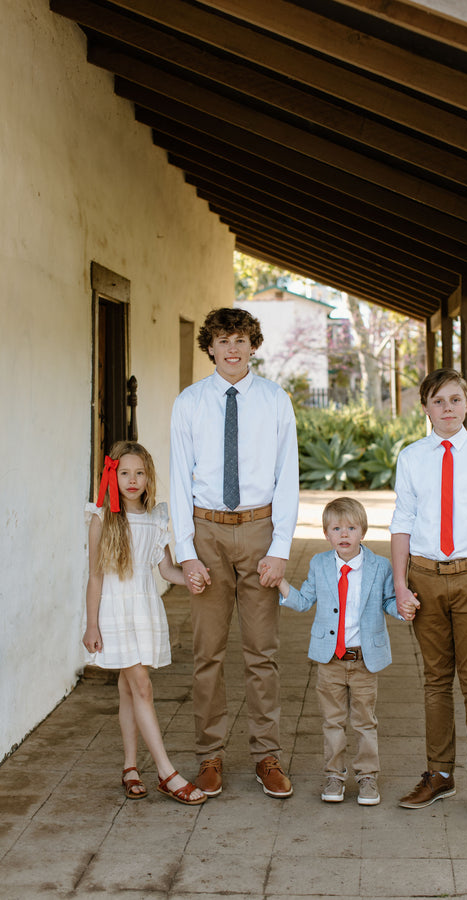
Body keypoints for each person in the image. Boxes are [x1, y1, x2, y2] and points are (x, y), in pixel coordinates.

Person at [170, 307, 299, 799]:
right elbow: (180, 480)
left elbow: (288, 476)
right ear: (209, 346)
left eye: (241, 339)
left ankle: (267, 755)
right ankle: (210, 755)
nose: (232, 348)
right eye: (223, 339)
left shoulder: (274, 400)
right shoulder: (190, 402)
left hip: (259, 528)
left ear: (252, 345)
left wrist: (281, 548)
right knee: (208, 653)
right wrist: (186, 553)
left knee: (262, 652)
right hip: (206, 532)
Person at [390, 368, 467, 823]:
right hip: (424, 579)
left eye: (455, 400)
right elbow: (402, 521)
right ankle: (439, 775)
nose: (447, 408)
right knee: (434, 681)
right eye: (438, 400)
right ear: (425, 407)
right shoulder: (411, 457)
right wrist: (401, 584)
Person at [83, 441, 205, 806]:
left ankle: (130, 767)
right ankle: (167, 773)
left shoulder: (156, 517)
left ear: (149, 477)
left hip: (145, 610)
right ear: (112, 476)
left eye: (139, 473)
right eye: (124, 473)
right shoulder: (102, 519)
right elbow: (94, 577)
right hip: (114, 613)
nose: (132, 480)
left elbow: (165, 568)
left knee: (127, 688)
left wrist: (192, 578)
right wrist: (92, 625)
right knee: (143, 687)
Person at [279, 497, 402, 805]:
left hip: (363, 660)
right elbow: (305, 600)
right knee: (332, 721)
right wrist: (279, 583)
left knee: (364, 721)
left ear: (362, 532)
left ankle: (367, 777)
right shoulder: (319, 564)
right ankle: (334, 775)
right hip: (330, 661)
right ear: (327, 534)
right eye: (337, 528)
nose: (344, 534)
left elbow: (389, 602)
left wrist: (405, 607)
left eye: (351, 527)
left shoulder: (379, 566)